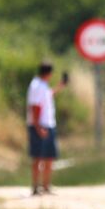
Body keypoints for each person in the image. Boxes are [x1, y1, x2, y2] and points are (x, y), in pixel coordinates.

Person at [27, 62, 67, 195]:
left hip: (48, 125)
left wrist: (60, 87)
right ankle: (35, 186)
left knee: (49, 157)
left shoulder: (42, 85)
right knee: (38, 157)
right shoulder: (37, 86)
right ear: (49, 73)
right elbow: (35, 107)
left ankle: (46, 186)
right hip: (40, 125)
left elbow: (48, 95)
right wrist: (38, 127)